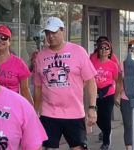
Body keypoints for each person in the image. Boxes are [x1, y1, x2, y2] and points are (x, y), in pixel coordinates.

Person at [33, 16, 97, 150]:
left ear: (62, 31)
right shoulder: (40, 57)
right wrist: (35, 112)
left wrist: (92, 108)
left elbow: (91, 81)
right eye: (47, 33)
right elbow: (38, 87)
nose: (50, 36)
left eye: (54, 32)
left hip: (74, 114)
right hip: (49, 113)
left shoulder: (78, 51)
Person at [0, 25, 34, 105]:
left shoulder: (18, 63)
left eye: (4, 37)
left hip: (12, 106)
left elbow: (25, 90)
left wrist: (32, 113)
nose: (0, 40)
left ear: (9, 41)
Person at [90, 41, 118, 150]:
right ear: (98, 50)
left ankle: (106, 142)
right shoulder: (93, 63)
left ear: (110, 51)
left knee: (106, 118)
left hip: (108, 94)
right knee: (97, 119)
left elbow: (117, 80)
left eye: (106, 48)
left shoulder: (112, 65)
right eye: (101, 48)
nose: (104, 50)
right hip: (95, 94)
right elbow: (89, 78)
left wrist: (116, 94)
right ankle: (107, 131)